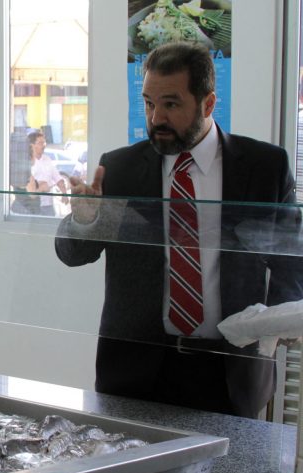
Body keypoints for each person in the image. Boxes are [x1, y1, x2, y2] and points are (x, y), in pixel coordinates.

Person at [54, 41, 303, 418]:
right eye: (149, 103)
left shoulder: (264, 167)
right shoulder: (119, 168)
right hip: (136, 370)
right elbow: (74, 255)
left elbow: (293, 261)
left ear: (207, 104)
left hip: (230, 370)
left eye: (171, 104)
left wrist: (277, 323)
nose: (156, 119)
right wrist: (85, 219)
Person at [26, 129, 68, 216]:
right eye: (40, 143)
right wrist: (42, 187)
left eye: (44, 142)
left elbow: (58, 178)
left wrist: (64, 193)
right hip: (32, 206)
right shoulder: (26, 163)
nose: (44, 145)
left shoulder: (47, 159)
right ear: (32, 145)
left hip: (48, 205)